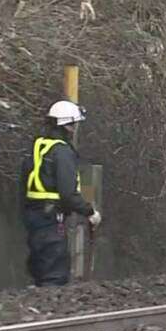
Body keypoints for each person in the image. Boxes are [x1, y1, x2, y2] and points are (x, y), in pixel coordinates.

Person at [21, 100, 100, 287]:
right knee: (54, 272)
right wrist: (90, 212)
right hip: (51, 217)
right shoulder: (62, 152)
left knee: (40, 266)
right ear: (69, 127)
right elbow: (68, 193)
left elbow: (23, 183)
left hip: (34, 214)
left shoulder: (38, 147)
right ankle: (51, 310)